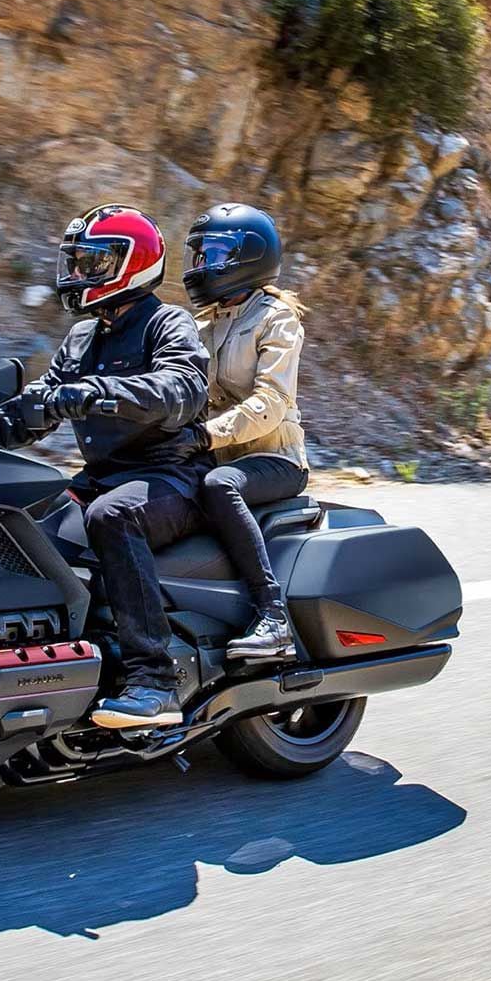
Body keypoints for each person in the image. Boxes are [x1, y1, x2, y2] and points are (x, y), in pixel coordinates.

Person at [0, 203, 213, 727]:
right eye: (76, 261)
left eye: (92, 262)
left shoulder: (166, 322)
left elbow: (182, 386)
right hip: (102, 476)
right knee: (20, 519)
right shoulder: (83, 337)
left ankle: (154, 681)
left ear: (132, 264)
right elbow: (41, 402)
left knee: (112, 516)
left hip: (168, 476)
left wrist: (100, 392)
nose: (78, 273)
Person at [184, 203, 309, 660]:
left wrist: (205, 435)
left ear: (249, 257)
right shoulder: (203, 323)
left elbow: (271, 403)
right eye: (199, 254)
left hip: (274, 458)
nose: (202, 265)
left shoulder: (277, 318)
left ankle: (273, 616)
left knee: (220, 485)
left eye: (214, 254)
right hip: (218, 451)